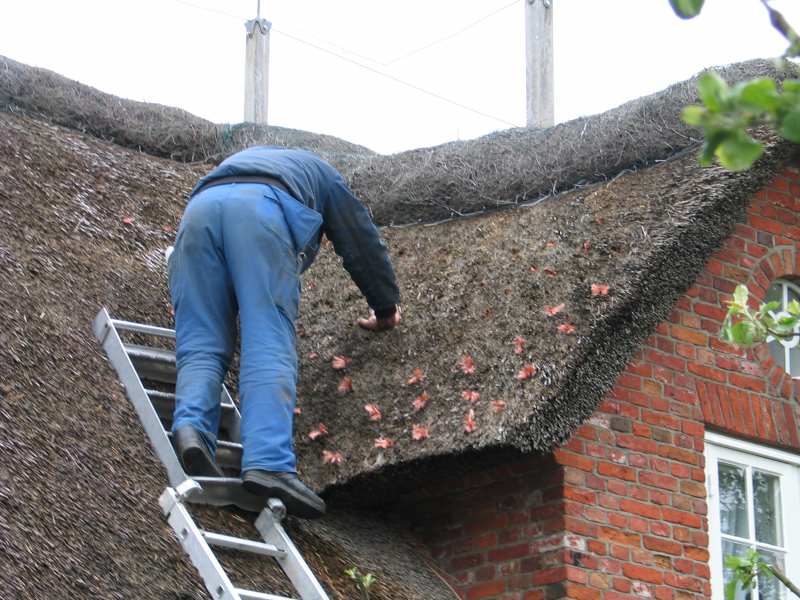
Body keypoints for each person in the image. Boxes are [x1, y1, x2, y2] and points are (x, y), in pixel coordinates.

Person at [167, 146, 400, 519]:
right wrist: (386, 307)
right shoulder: (323, 173)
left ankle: (192, 430)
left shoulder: (246, 158)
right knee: (268, 336)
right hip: (258, 210)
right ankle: (269, 462)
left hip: (198, 213)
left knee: (201, 343)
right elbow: (360, 241)